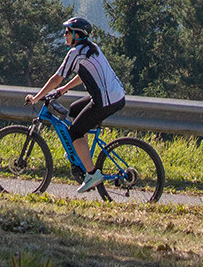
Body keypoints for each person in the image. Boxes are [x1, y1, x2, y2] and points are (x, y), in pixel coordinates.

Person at [26, 15, 128, 192]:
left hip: (105, 100)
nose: (64, 35)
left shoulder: (75, 52)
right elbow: (82, 73)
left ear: (77, 35)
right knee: (74, 109)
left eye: (67, 32)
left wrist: (36, 97)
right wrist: (64, 89)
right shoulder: (91, 49)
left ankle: (92, 174)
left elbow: (56, 78)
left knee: (75, 131)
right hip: (113, 96)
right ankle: (82, 154)